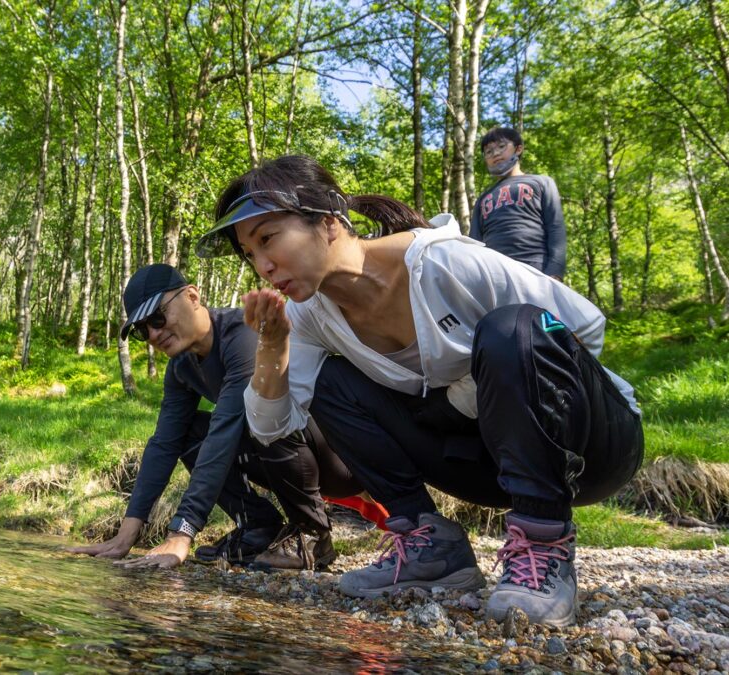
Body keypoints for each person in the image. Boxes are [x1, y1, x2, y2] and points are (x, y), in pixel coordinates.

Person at [195, 156, 643, 627]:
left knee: (513, 327)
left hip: (595, 446)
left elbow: (583, 326)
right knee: (331, 382)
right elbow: (271, 430)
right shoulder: (311, 318)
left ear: (327, 223)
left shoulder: (445, 262)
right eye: (248, 254)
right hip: (491, 465)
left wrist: (464, 397)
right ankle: (430, 545)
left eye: (268, 239)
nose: (262, 265)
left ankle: (543, 543)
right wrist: (272, 344)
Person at [69, 263, 368, 571]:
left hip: (339, 461)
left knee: (256, 414)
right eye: (142, 330)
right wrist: (125, 535)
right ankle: (258, 528)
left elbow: (224, 433)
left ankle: (312, 534)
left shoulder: (243, 337)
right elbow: (164, 444)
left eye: (158, 317)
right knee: (188, 432)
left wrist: (181, 532)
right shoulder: (181, 368)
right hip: (287, 457)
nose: (154, 334)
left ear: (193, 296)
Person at [471, 127, 566, 280]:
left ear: (518, 149)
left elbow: (556, 228)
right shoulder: (483, 198)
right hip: (494, 274)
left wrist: (555, 271)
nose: (495, 154)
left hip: (536, 269)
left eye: (501, 146)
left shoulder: (541, 183)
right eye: (488, 152)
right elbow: (475, 242)